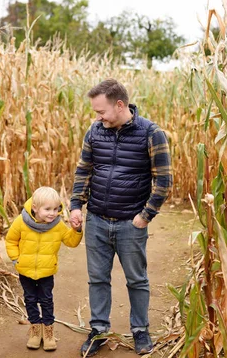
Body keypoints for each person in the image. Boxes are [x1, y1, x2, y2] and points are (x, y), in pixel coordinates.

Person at [70, 79, 172, 356]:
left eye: (101, 111)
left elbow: (163, 180)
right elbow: (83, 171)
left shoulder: (151, 133)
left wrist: (145, 216)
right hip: (97, 220)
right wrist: (76, 206)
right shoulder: (95, 131)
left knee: (136, 279)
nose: (98, 117)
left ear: (119, 105)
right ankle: (99, 330)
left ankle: (140, 331)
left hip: (131, 222)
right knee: (97, 279)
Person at [6, 186, 83, 351]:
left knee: (46, 300)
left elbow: (71, 242)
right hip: (25, 271)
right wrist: (15, 259)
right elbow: (11, 240)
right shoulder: (21, 221)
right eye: (47, 209)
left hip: (46, 272)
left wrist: (76, 230)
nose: (52, 213)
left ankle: (48, 332)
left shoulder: (58, 225)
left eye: (56, 209)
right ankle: (35, 330)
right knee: (30, 300)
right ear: (35, 208)